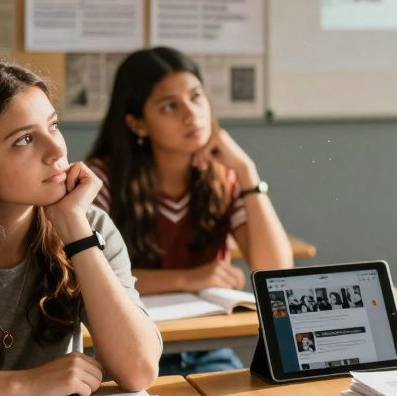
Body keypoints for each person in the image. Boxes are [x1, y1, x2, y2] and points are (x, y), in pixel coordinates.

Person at [0, 61, 161, 396]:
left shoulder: (91, 226)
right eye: (25, 139)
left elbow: (138, 370)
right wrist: (25, 383)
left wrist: (77, 234)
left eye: (53, 126)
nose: (57, 150)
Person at [88, 47, 293, 375]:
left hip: (207, 348)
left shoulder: (223, 178)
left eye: (196, 97)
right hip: (129, 351)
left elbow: (276, 272)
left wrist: (247, 173)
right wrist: (188, 279)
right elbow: (89, 279)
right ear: (138, 124)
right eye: (170, 106)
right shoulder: (100, 182)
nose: (191, 114)